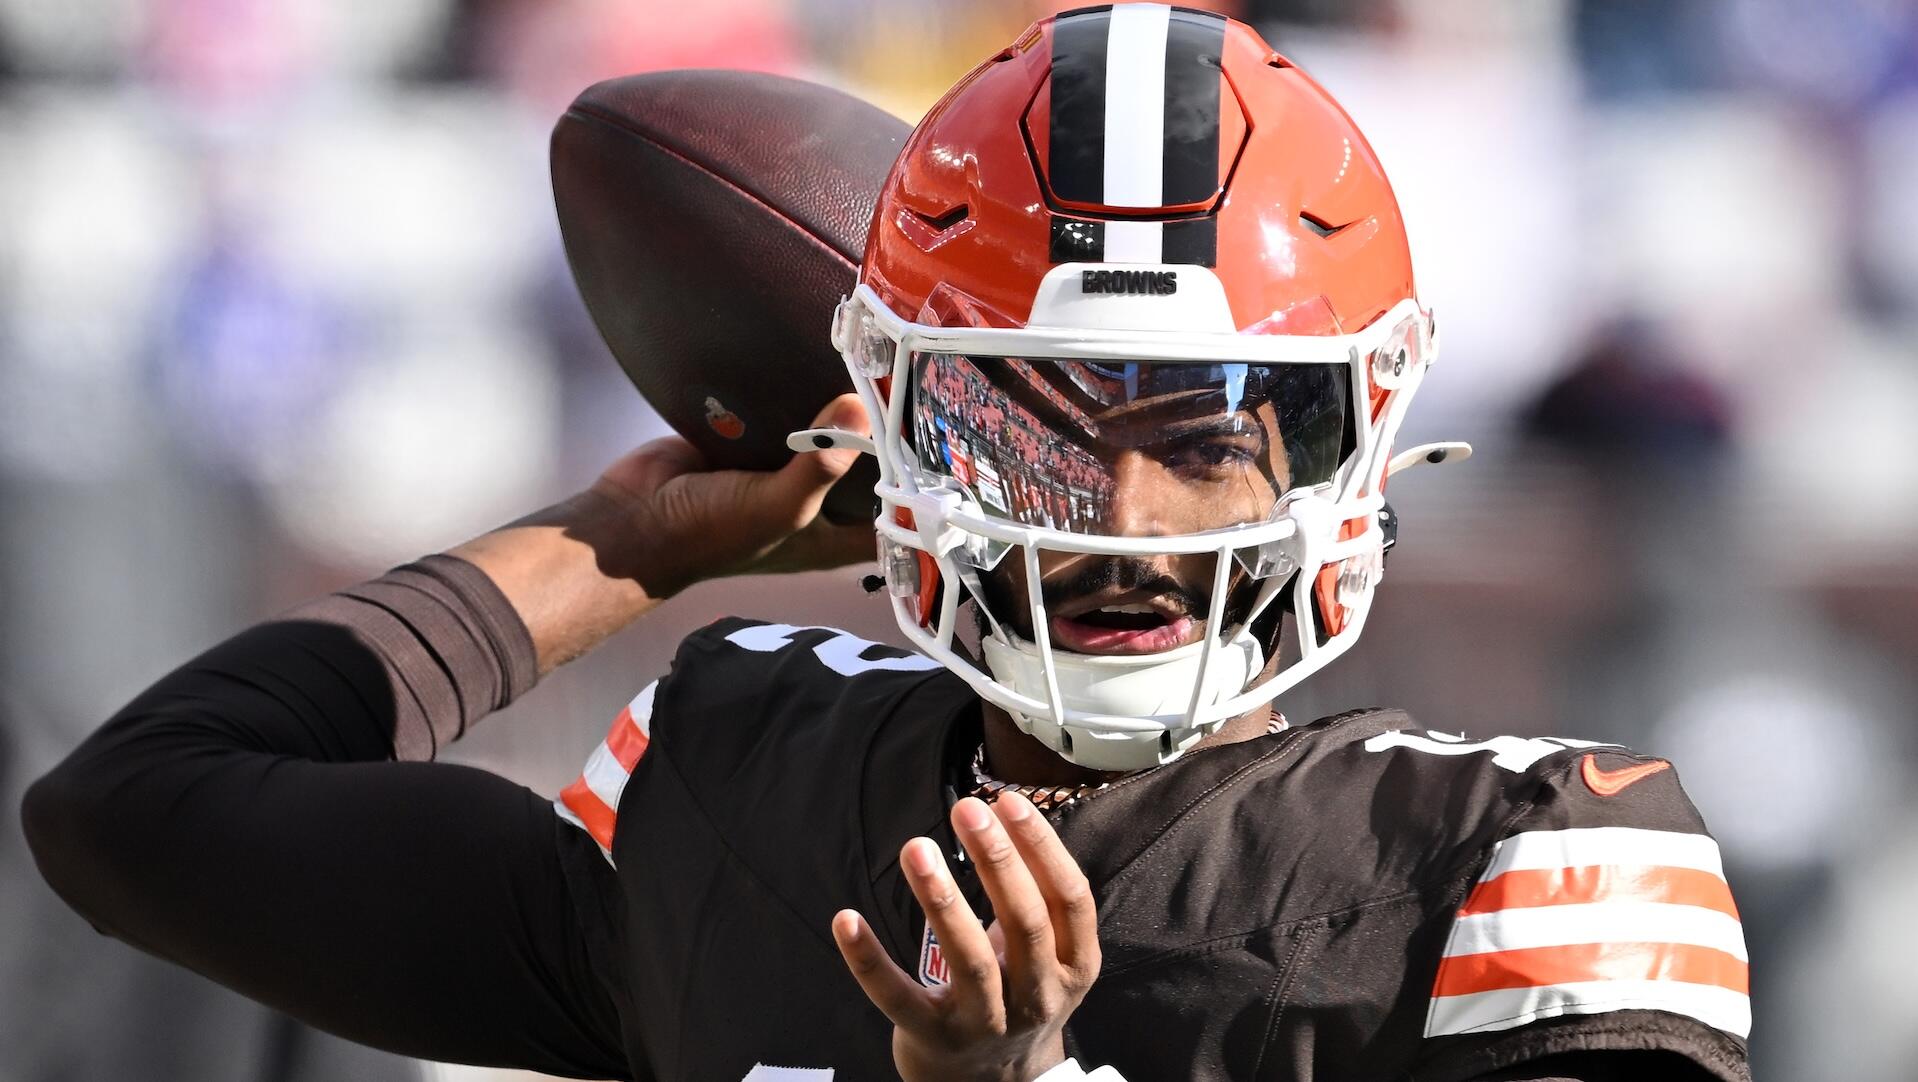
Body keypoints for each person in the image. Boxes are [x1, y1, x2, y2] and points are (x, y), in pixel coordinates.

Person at [22, 6, 1751, 1081]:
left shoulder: (1517, 858)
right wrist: (626, 543)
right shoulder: (737, 777)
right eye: (1038, 427)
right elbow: (139, 813)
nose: (1123, 519)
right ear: (898, 416)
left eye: (1206, 437)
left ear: (1353, 431)